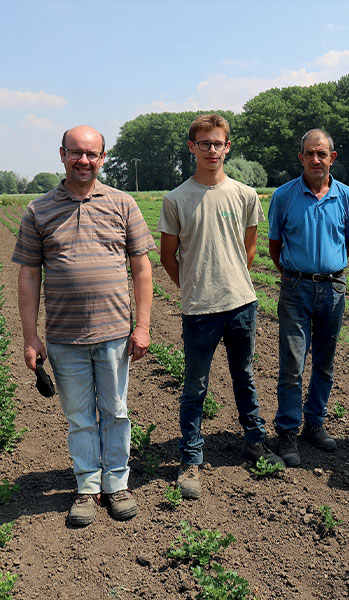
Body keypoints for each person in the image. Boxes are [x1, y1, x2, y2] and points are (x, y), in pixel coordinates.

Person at [13, 125, 155, 526]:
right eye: (76, 152)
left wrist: (141, 326)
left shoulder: (123, 204)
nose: (84, 160)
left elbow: (142, 268)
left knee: (115, 411)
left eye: (92, 154)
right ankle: (87, 487)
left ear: (103, 158)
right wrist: (30, 336)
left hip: (113, 333)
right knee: (78, 416)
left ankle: (118, 483)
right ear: (62, 155)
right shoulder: (38, 210)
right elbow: (27, 275)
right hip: (63, 336)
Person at [158, 114, 283, 500]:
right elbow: (167, 257)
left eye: (218, 143)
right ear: (192, 147)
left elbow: (248, 250)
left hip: (242, 303)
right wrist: (195, 287)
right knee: (195, 386)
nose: (212, 150)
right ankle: (190, 458)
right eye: (204, 143)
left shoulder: (244, 195)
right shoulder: (176, 198)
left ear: (228, 147)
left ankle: (254, 443)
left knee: (244, 376)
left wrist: (229, 281)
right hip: (199, 309)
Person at [268, 128, 349, 467]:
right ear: (301, 158)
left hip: (333, 288)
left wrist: (328, 272)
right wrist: (299, 274)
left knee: (324, 361)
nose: (316, 159)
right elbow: (274, 247)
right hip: (296, 288)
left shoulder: (346, 196)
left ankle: (315, 424)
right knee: (292, 363)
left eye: (322, 154)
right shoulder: (284, 196)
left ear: (332, 158)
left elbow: (348, 245)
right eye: (310, 153)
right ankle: (288, 431)